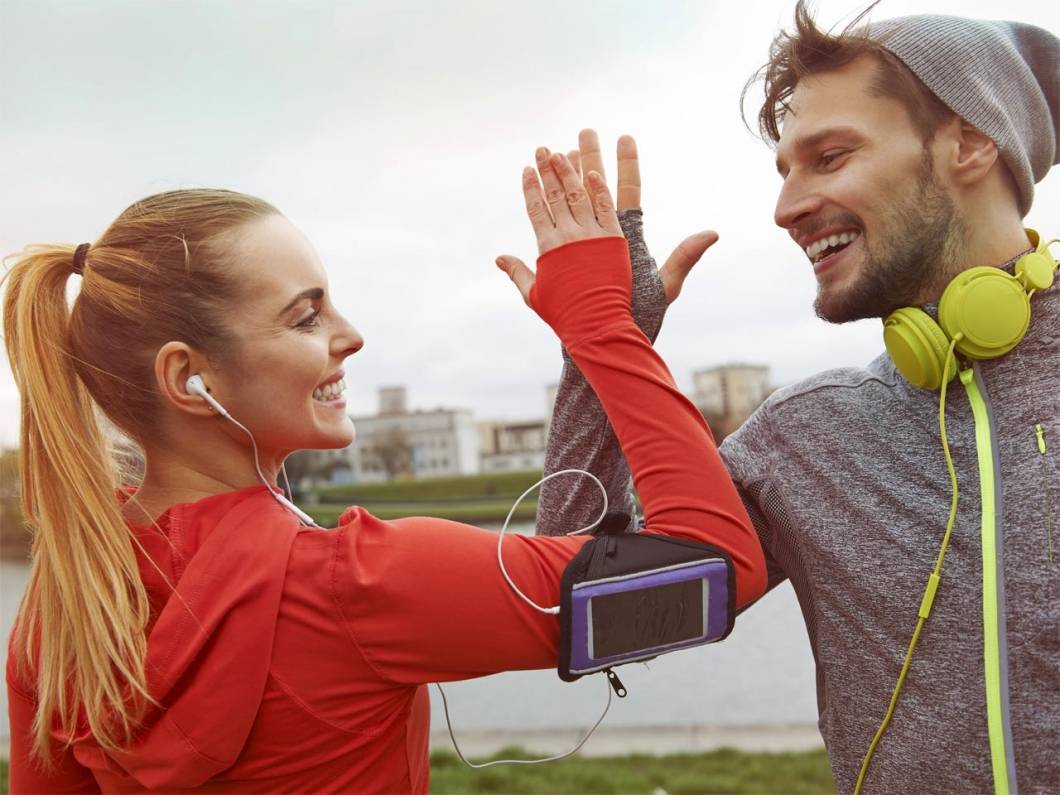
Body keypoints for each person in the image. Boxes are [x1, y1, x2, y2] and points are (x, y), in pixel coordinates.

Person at [3, 156, 766, 791]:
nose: (352, 335)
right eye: (307, 316)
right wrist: (602, 327)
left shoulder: (67, 603)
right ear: (188, 377)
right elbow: (713, 571)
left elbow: (575, 564)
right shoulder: (361, 584)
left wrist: (591, 359)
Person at [529, 5, 1058, 793]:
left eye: (830, 156)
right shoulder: (804, 435)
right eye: (784, 171)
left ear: (969, 141)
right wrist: (603, 343)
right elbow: (590, 615)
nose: (786, 208)